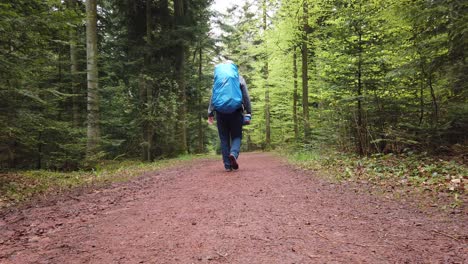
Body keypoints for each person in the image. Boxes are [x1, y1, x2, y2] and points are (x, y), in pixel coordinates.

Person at [208, 61, 252, 171]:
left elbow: (213, 97)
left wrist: (210, 112)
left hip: (220, 112)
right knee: (237, 136)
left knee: (224, 139)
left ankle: (227, 166)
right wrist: (248, 112)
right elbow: (245, 96)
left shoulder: (218, 80)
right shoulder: (239, 78)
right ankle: (233, 153)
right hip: (236, 111)